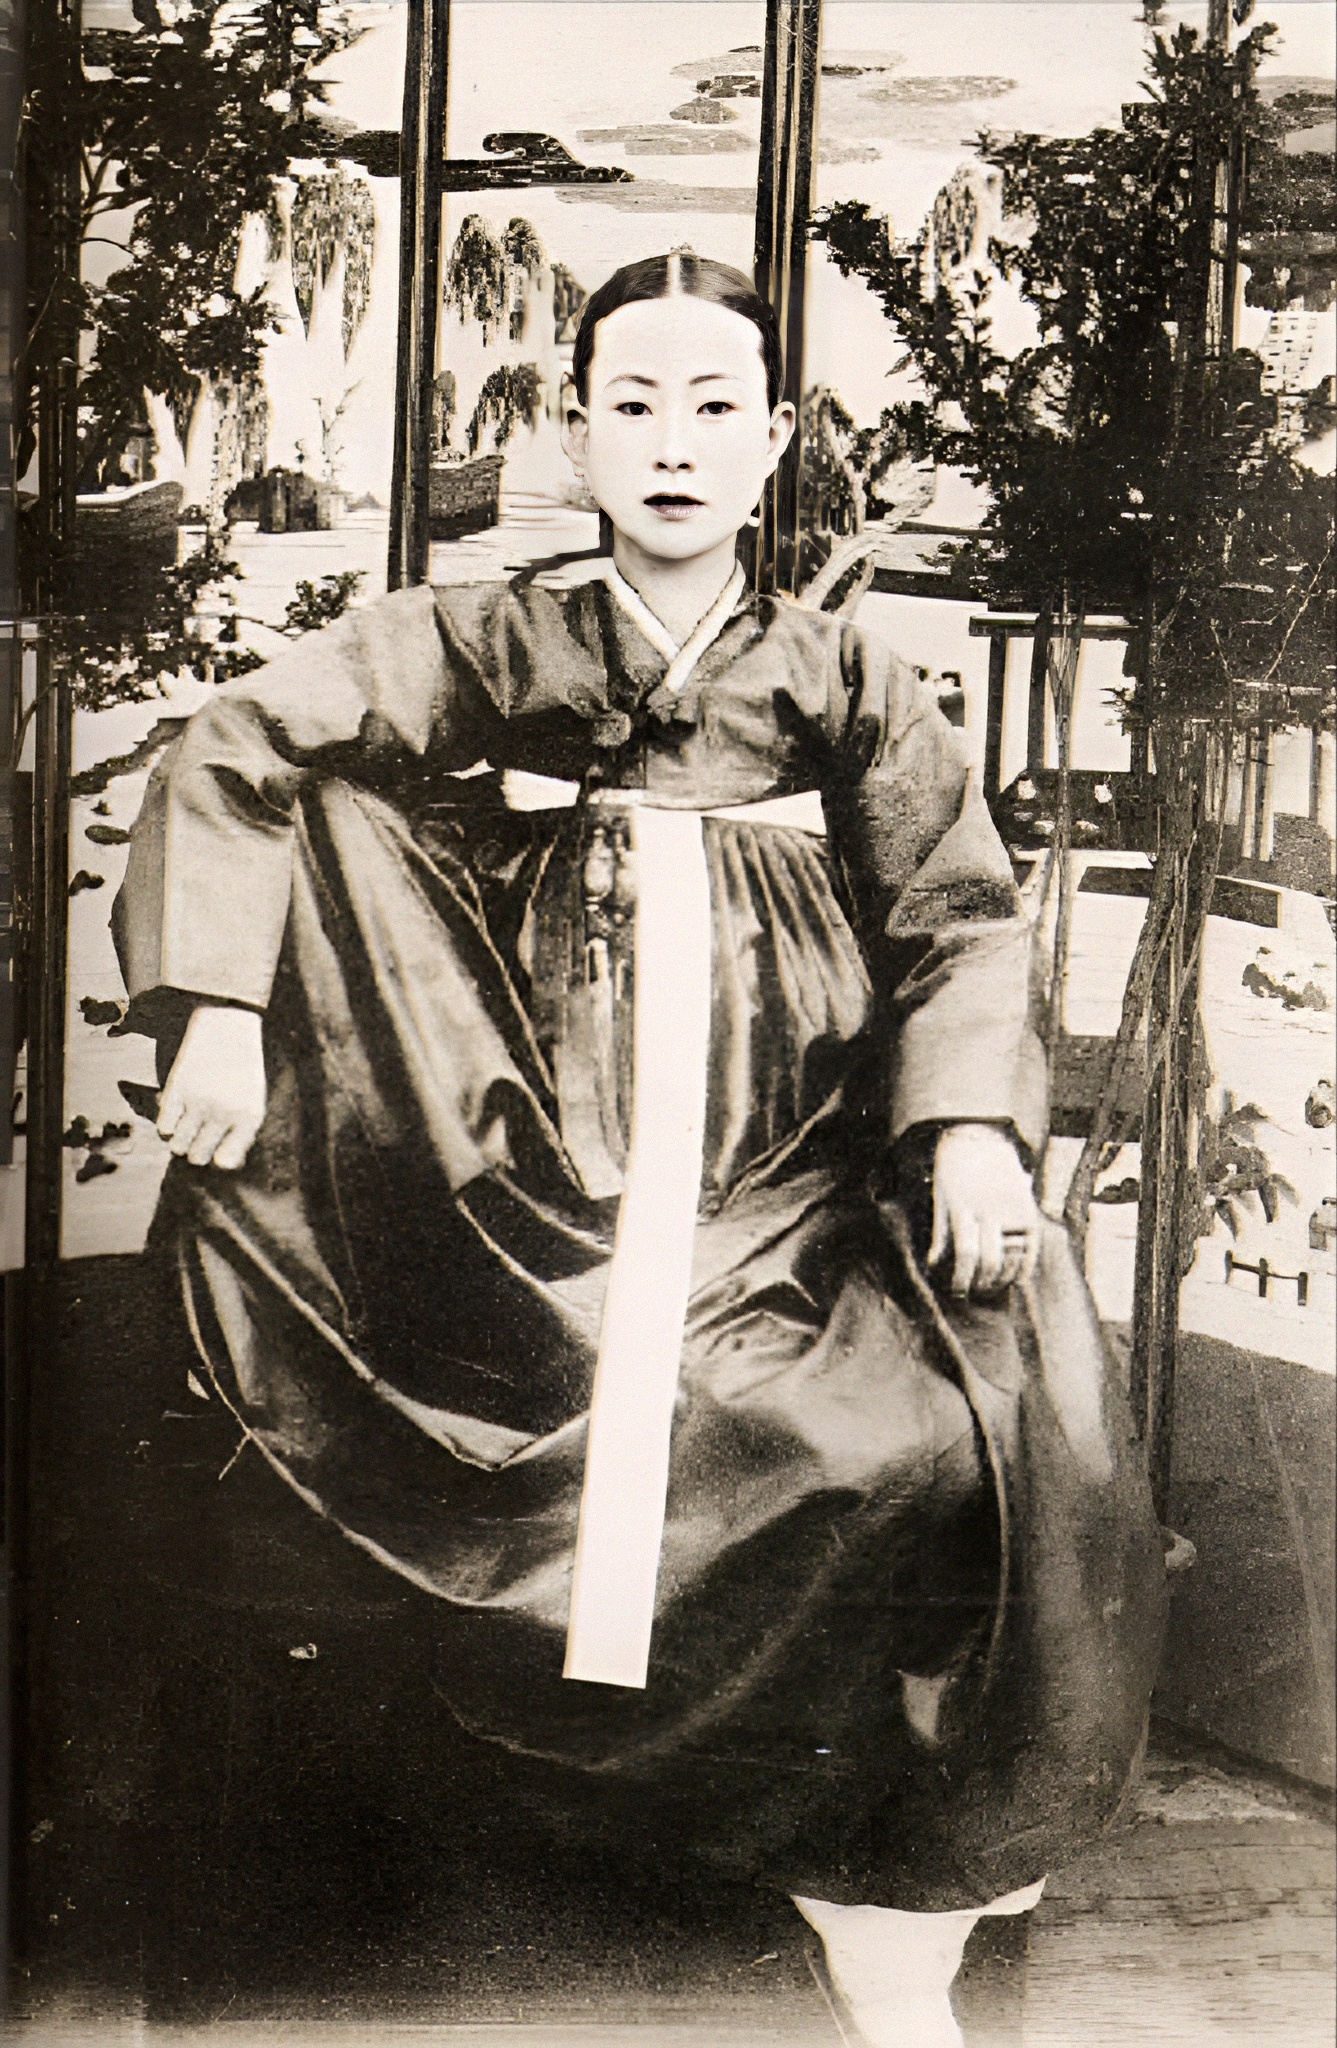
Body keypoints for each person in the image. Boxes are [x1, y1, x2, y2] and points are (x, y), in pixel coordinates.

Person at [114, 251, 1166, 2048]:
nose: (674, 444)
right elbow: (242, 741)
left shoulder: (849, 674)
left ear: (775, 440)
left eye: (715, 408)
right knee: (660, 1394)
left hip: (795, 1158)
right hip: (524, 1152)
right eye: (634, 404)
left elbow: (961, 922)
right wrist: (218, 998)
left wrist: (970, 1126)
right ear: (576, 431)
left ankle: (878, 1876)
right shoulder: (479, 635)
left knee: (936, 1420)